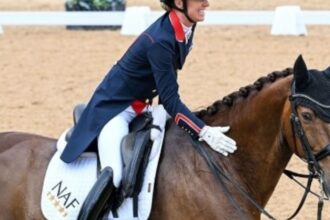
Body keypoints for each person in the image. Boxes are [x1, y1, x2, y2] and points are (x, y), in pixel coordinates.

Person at [60, 0, 237, 219]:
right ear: (179, 3)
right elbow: (171, 100)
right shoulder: (160, 40)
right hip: (114, 110)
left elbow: (166, 86)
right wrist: (203, 131)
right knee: (114, 174)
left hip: (142, 106)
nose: (206, 3)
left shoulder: (184, 28)